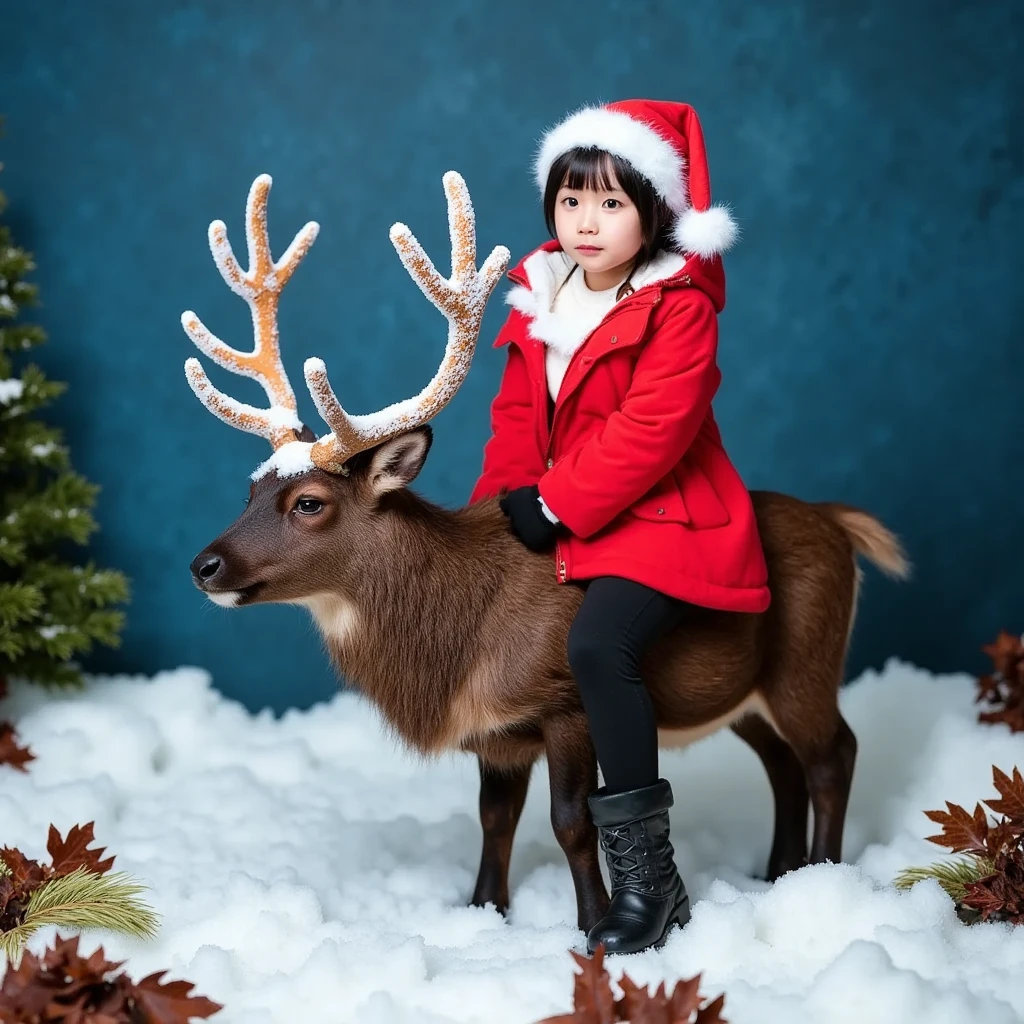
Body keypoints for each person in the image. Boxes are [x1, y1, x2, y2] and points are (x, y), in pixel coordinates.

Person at [467, 99, 771, 955]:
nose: (586, 222)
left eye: (610, 203)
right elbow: (515, 414)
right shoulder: (542, 295)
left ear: (653, 209)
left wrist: (559, 502)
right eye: (570, 201)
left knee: (599, 646)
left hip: (662, 511)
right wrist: (499, 515)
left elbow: (654, 430)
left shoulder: (679, 305)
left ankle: (646, 880)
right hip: (565, 509)